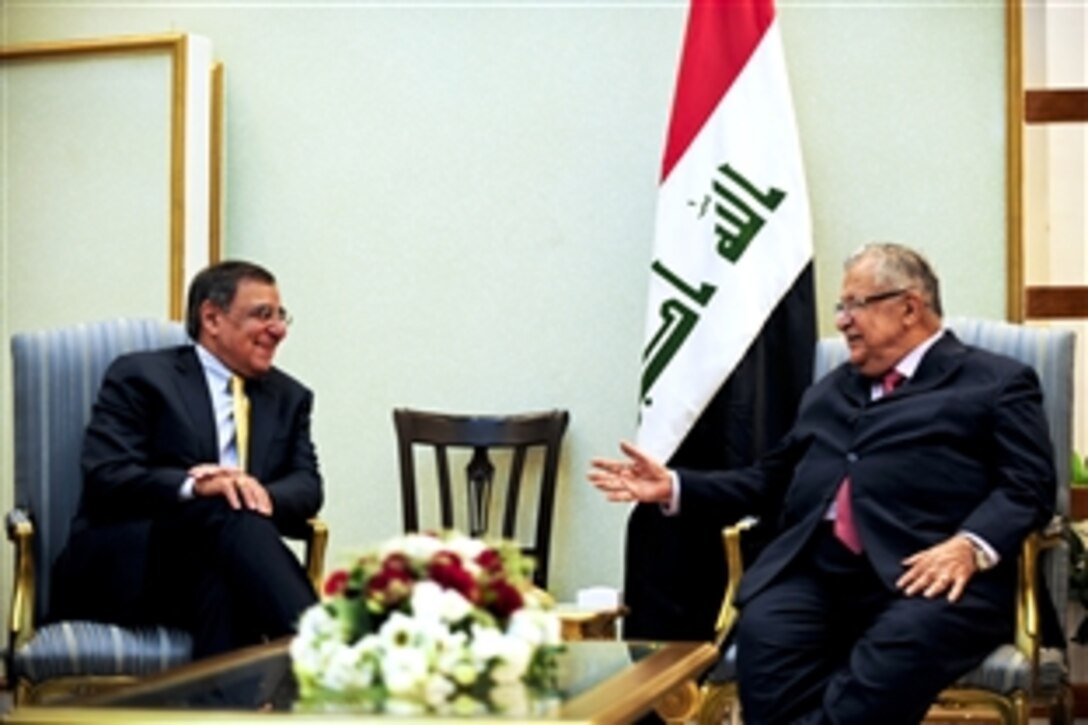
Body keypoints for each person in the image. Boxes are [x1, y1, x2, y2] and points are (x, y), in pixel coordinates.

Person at [589, 243, 1056, 724]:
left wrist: (969, 546)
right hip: (815, 575)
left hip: (929, 576)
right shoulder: (831, 389)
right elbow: (770, 481)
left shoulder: (995, 382)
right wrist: (674, 487)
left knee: (881, 674)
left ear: (909, 308)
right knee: (767, 641)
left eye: (856, 304)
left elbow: (1029, 485)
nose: (842, 321)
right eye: (840, 306)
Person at [51, 260, 323, 659]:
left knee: (226, 573)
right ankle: (327, 655)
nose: (279, 329)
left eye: (281, 316)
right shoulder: (142, 376)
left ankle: (225, 711)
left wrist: (249, 491)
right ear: (212, 318)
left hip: (223, 566)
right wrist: (196, 486)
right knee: (223, 509)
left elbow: (307, 486)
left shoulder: (290, 397)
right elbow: (108, 475)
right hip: (131, 566)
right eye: (263, 315)